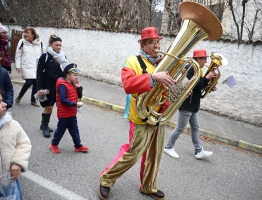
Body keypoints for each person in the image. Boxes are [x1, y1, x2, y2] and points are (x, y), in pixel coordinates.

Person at [98, 27, 175, 200]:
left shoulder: (164, 63)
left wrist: (181, 89)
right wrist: (153, 78)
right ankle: (107, 178)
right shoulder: (132, 61)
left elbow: (168, 87)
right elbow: (128, 84)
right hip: (140, 115)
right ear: (143, 44)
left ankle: (148, 186)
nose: (156, 45)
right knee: (133, 154)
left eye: (157, 41)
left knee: (155, 154)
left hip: (159, 116)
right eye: (152, 42)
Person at [164, 49, 217, 160]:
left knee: (195, 127)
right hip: (186, 104)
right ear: (198, 59)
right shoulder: (189, 69)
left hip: (193, 105)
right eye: (204, 59)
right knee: (180, 128)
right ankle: (168, 147)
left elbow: (199, 85)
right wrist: (207, 78)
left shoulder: (198, 70)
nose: (206, 61)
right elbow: (192, 85)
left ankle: (198, 151)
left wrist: (210, 86)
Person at [49, 63, 88, 154]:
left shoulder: (73, 84)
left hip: (72, 113)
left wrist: (79, 88)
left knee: (75, 131)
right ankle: (54, 144)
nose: (76, 77)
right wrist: (75, 104)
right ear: (68, 76)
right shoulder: (63, 85)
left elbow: (79, 96)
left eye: (77, 75)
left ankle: (78, 146)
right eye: (74, 75)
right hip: (64, 114)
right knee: (60, 131)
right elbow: (62, 100)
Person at [0, 91, 32, 199]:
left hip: (8, 182)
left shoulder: (12, 125)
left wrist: (18, 162)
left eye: (2, 100)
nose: (5, 104)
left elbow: (24, 143)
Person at [36, 34, 68, 138]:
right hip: (47, 86)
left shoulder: (63, 57)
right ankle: (45, 125)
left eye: (60, 45)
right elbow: (39, 73)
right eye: (56, 45)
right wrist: (39, 88)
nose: (59, 47)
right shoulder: (44, 56)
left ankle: (43, 123)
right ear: (51, 45)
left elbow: (65, 72)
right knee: (48, 106)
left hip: (59, 86)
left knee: (53, 106)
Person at [15, 27, 44, 107]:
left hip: (37, 66)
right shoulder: (22, 42)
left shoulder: (40, 42)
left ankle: (33, 100)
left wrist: (44, 65)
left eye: (28, 33)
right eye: (25, 32)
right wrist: (18, 66)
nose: (26, 34)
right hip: (26, 65)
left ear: (33, 34)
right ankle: (20, 95)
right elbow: (18, 55)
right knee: (29, 82)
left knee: (36, 83)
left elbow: (43, 54)